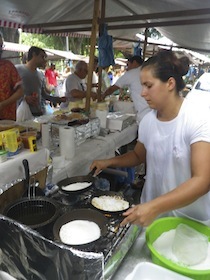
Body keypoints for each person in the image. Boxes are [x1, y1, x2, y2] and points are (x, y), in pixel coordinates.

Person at [90, 50, 210, 227]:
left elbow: (202, 180)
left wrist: (154, 206)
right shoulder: (148, 121)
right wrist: (109, 162)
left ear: (170, 83)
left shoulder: (197, 119)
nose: (142, 93)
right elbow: (138, 156)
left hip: (189, 219)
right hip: (153, 214)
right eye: (142, 86)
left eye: (148, 85)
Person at [16, 46, 65, 117]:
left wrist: (57, 99)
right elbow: (8, 90)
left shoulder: (41, 74)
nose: (44, 60)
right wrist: (24, 98)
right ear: (34, 55)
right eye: (42, 57)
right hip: (22, 114)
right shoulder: (17, 69)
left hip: (39, 113)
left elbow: (43, 94)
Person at [102, 55, 150, 123]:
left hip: (144, 113)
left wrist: (102, 96)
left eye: (128, 65)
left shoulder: (132, 73)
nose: (127, 68)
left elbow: (112, 88)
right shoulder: (149, 71)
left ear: (134, 62)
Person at [0, 32, 23, 120]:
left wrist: (2, 104)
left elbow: (20, 91)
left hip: (7, 120)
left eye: (1, 46)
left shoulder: (8, 66)